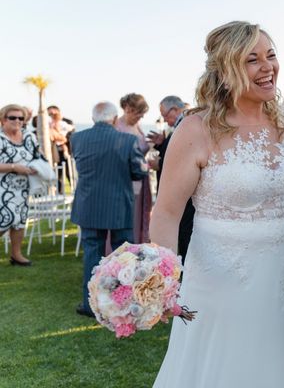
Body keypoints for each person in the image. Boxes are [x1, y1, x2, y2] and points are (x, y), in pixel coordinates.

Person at [151, 21, 284, 387]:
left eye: (271, 55)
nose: (268, 67)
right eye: (252, 59)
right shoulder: (196, 129)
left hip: (283, 274)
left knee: (277, 361)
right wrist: (164, 280)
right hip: (219, 277)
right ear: (226, 69)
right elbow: (167, 212)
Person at [71, 101, 148, 317]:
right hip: (118, 206)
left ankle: (90, 304)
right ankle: (121, 302)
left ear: (93, 118)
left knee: (91, 254)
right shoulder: (128, 140)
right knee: (123, 256)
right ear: (114, 119)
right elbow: (139, 172)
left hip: (88, 206)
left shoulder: (76, 138)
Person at [147, 95, 195, 259]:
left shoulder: (186, 124)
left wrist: (158, 166)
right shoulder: (181, 124)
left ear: (174, 109)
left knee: (184, 237)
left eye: (165, 114)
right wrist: (161, 144)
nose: (164, 119)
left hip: (186, 199)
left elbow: (183, 159)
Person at [0, 104, 38, 266]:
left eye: (20, 118)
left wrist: (38, 166)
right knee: (4, 219)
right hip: (2, 188)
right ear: (2, 120)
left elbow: (37, 155)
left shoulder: (29, 137)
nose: (17, 121)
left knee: (20, 221)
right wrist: (14, 167)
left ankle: (16, 255)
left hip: (22, 188)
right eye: (12, 117)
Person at [115, 93, 152, 244]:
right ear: (128, 109)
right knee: (128, 218)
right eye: (138, 113)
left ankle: (136, 247)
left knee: (139, 216)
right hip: (125, 180)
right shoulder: (117, 127)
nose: (140, 117)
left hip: (141, 178)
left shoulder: (138, 126)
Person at [47, 105, 75, 193]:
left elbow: (71, 134)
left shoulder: (66, 122)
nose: (51, 115)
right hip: (55, 150)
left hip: (65, 150)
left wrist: (62, 139)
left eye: (52, 113)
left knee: (69, 172)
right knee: (57, 173)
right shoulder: (49, 123)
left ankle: (74, 190)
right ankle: (59, 191)